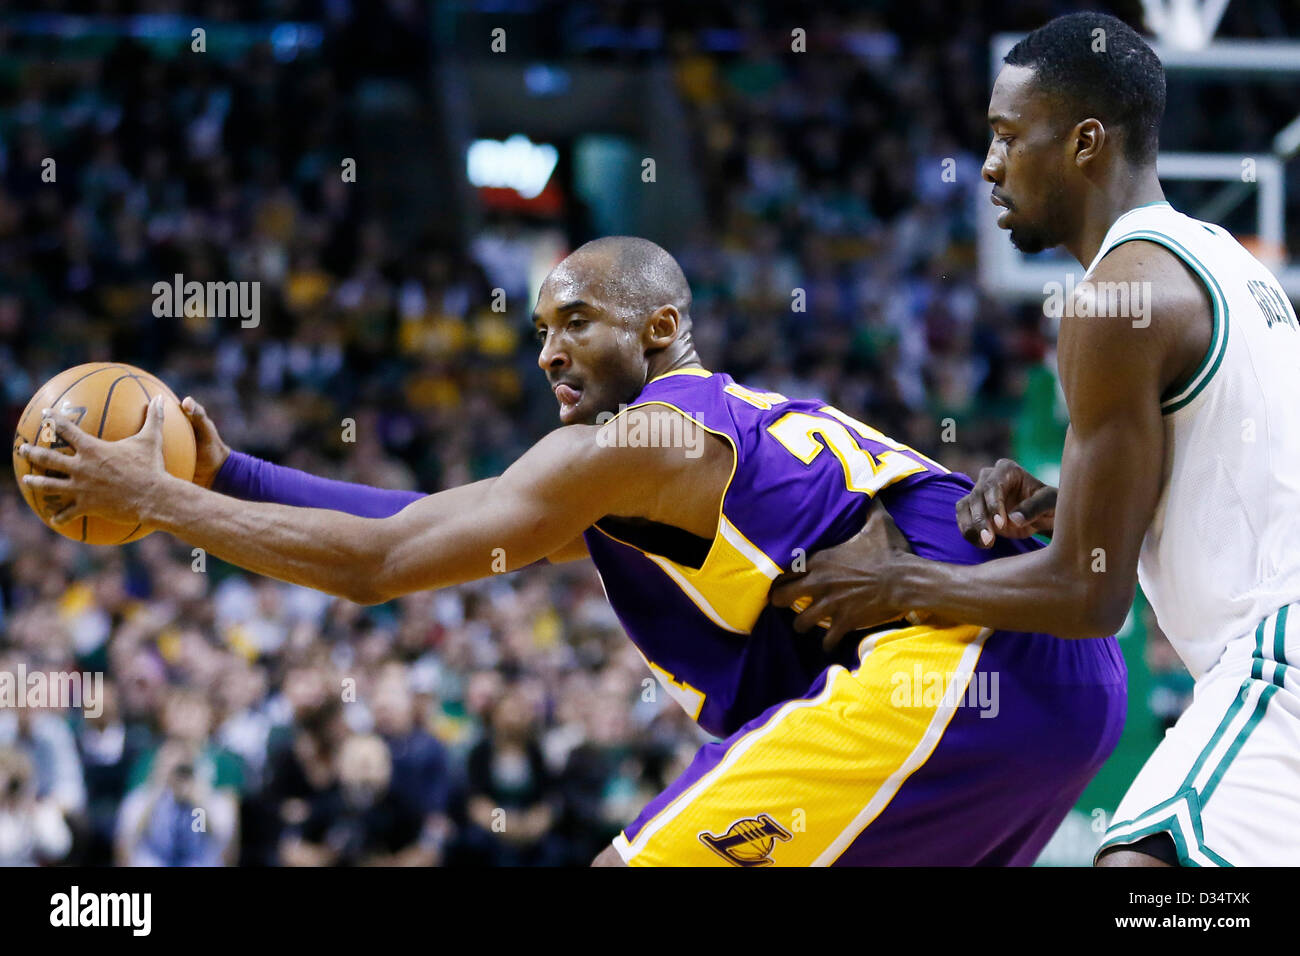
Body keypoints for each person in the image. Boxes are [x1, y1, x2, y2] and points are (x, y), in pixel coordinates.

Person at [19, 235, 1125, 866]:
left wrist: (158, 498)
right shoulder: (696, 439)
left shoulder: (644, 437)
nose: (549, 351)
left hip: (960, 668)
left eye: (576, 321)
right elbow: (416, 517)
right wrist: (229, 476)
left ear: (658, 328)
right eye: (540, 329)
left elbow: (378, 564)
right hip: (1050, 686)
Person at [772, 13, 1300, 867]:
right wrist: (1065, 506)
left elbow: (1089, 598)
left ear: (1087, 143)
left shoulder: (1114, 301)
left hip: (1280, 658)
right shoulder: (1220, 256)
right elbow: (1218, 481)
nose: (989, 165)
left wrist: (897, 582)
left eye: (1009, 136)